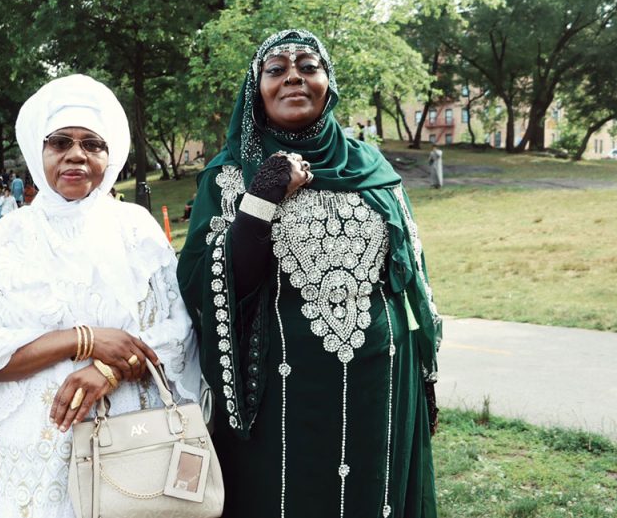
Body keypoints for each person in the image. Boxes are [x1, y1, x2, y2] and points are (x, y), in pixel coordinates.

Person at [177, 30, 441, 518]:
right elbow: (209, 284)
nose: (293, 76)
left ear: (328, 82)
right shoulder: (230, 174)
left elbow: (407, 273)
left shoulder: (371, 166)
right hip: (278, 392)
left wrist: (424, 374)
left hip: (381, 381)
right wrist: (261, 199)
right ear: (257, 89)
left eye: (308, 66)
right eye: (276, 69)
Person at [0, 74, 200, 517]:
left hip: (135, 444)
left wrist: (108, 371)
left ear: (111, 154)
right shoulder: (7, 239)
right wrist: (83, 340)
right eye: (60, 142)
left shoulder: (137, 230)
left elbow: (176, 334)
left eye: (92, 143)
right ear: (39, 150)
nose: (75, 154)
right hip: (42, 450)